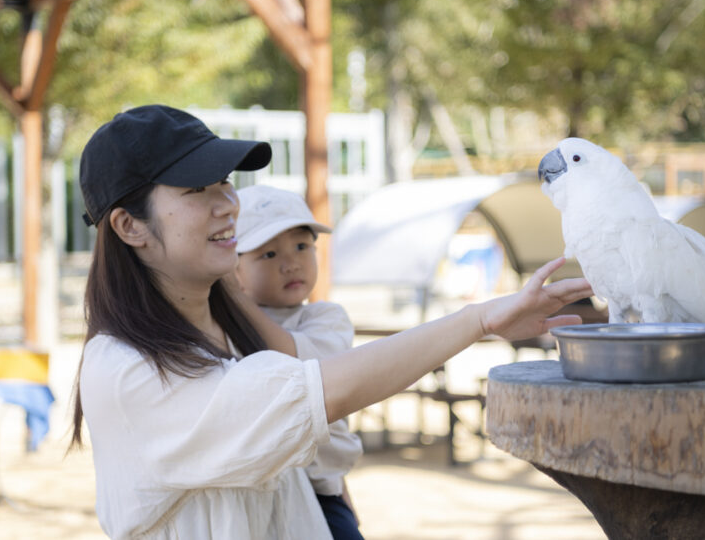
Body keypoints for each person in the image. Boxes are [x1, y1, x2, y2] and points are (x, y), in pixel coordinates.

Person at [70, 104, 594, 540]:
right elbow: (320, 390)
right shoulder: (125, 370)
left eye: (224, 182)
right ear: (129, 225)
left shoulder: (238, 333)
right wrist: (479, 320)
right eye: (195, 191)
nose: (228, 204)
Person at [231, 184, 363, 539]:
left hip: (320, 490)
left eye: (302, 246)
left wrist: (233, 300)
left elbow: (304, 367)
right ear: (234, 270)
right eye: (268, 254)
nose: (291, 263)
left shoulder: (325, 319)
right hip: (250, 492)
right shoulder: (219, 329)